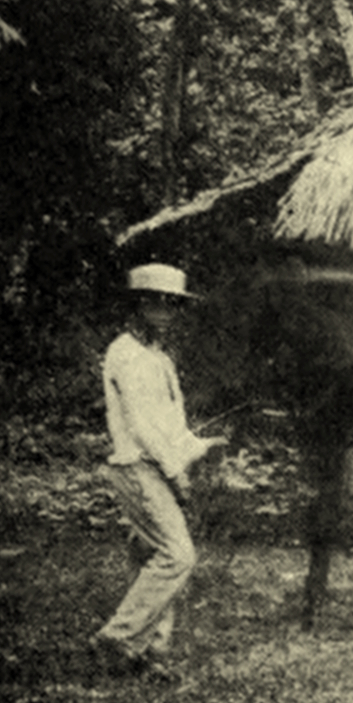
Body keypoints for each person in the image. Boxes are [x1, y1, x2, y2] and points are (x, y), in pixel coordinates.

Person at [94, 263, 226, 677]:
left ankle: (149, 653)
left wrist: (200, 447)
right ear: (137, 305)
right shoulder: (124, 353)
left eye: (173, 305)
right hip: (137, 467)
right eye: (157, 304)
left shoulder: (161, 359)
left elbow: (172, 426)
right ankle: (117, 638)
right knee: (177, 556)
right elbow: (141, 426)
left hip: (158, 466)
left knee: (152, 556)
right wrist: (173, 470)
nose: (167, 314)